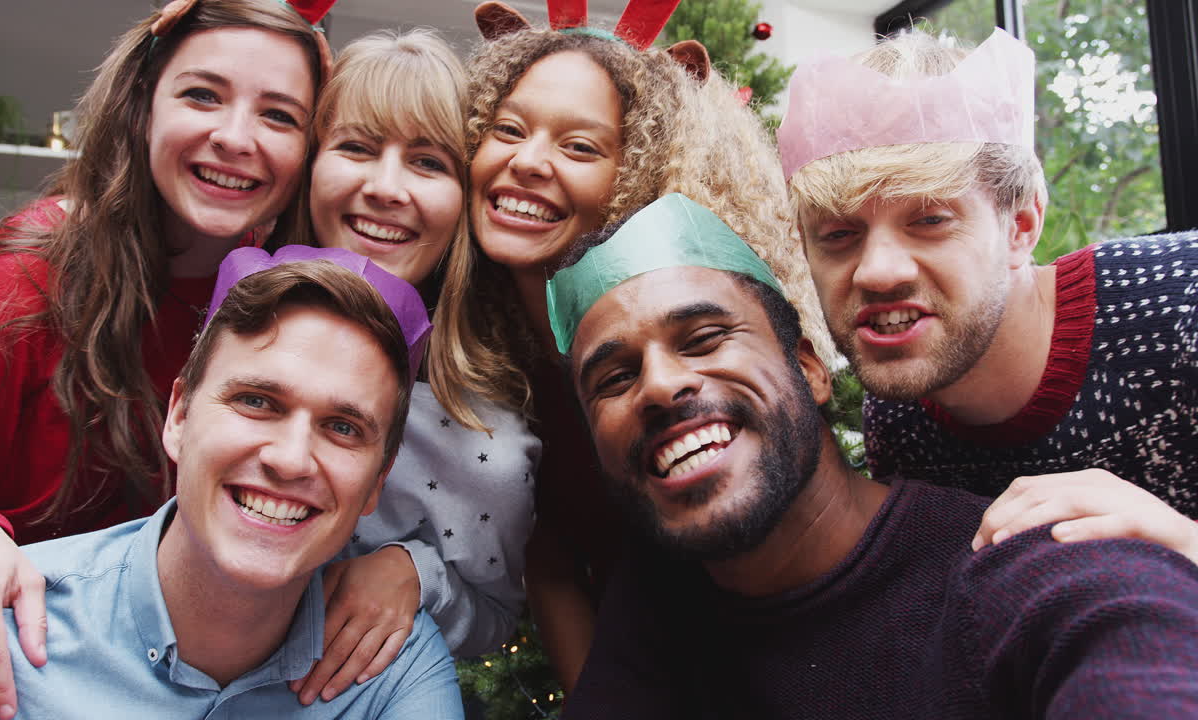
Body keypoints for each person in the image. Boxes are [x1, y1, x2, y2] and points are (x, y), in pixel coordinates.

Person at [554, 193, 1198, 720]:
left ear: (809, 370)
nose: (661, 385)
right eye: (613, 379)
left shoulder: (1014, 559)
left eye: (703, 337)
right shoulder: (657, 600)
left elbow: (1124, 642)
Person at [0, 2, 330, 719]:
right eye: (202, 95)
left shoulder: (295, 311)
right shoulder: (21, 284)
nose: (235, 138)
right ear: (142, 106)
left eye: (279, 116)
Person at [431, 0, 833, 691]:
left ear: (639, 174)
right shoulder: (474, 347)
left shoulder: (709, 346)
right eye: (508, 130)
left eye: (579, 146)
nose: (527, 162)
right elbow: (551, 565)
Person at [0, 246, 464, 720]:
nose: (292, 459)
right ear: (178, 417)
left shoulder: (389, 671)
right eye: (256, 401)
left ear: (376, 483)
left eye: (342, 428)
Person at [778, 28, 1198, 560]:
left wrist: (1183, 540)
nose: (877, 272)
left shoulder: (1183, 301)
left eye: (930, 219)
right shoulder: (898, 419)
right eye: (839, 235)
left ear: (1021, 226)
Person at [288, 30, 538, 704]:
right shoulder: (221, 327)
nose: (386, 188)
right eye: (357, 148)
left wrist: (415, 570)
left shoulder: (489, 434)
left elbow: (496, 615)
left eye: (428, 162)